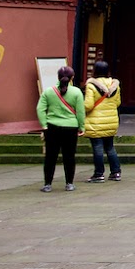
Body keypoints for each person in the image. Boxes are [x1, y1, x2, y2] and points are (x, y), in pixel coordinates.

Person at [37, 64, 85, 192]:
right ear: (72, 78)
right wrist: (81, 127)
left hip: (52, 127)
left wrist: (44, 125)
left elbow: (40, 109)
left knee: (50, 157)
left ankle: (47, 184)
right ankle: (69, 183)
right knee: (69, 156)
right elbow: (80, 112)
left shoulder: (48, 91)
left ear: (57, 77)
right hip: (70, 128)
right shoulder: (76, 92)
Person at [84, 59, 123, 183]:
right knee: (110, 147)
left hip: (95, 122)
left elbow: (88, 105)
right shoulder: (114, 85)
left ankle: (99, 174)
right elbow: (118, 103)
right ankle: (116, 172)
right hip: (111, 120)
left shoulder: (91, 85)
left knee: (98, 147)